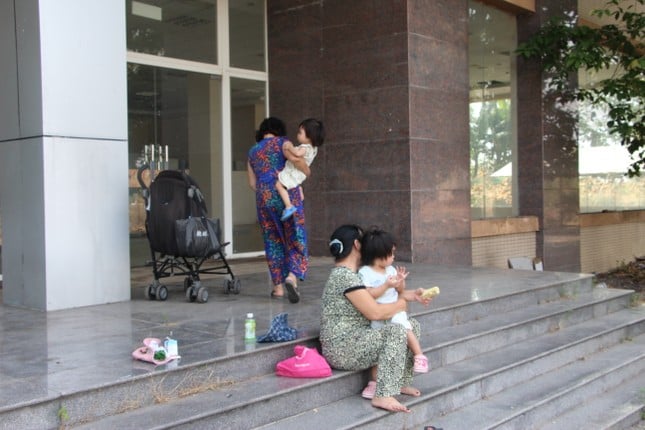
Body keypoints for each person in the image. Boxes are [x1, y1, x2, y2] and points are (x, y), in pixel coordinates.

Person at [319, 224, 434, 413]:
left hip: (358, 339)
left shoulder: (351, 275)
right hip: (343, 348)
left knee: (411, 325)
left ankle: (399, 383)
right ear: (357, 244)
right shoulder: (345, 277)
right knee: (397, 330)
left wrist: (413, 295)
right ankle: (382, 394)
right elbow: (375, 313)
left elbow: (383, 297)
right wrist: (402, 304)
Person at [247, 117, 310, 303]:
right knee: (295, 235)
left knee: (272, 240)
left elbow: (252, 183)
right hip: (287, 194)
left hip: (264, 198)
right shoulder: (283, 143)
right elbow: (296, 160)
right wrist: (306, 171)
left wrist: (266, 192)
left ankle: (278, 289)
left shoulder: (252, 151)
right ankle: (292, 277)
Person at [359, 227, 429, 374]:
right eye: (391, 253)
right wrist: (386, 285)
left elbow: (400, 291)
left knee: (404, 327)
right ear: (379, 254)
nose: (393, 257)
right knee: (379, 350)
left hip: (394, 311)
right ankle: (374, 382)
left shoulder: (390, 270)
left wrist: (400, 281)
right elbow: (369, 294)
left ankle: (419, 355)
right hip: (378, 314)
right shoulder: (365, 272)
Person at [276, 118, 324, 221]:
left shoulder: (305, 147)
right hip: (299, 173)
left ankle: (288, 206)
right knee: (287, 181)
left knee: (278, 185)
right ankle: (299, 190)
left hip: (295, 171)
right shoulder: (313, 148)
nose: (297, 135)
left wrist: (289, 147)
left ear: (310, 136)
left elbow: (297, 155)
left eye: (300, 133)